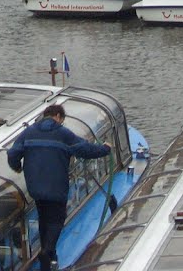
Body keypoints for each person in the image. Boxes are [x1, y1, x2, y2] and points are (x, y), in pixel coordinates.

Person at [8, 104, 111, 271]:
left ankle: (48, 258)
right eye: (61, 120)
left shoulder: (28, 132)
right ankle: (47, 251)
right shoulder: (62, 133)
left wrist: (17, 166)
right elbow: (85, 149)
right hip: (56, 186)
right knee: (56, 219)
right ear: (57, 116)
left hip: (35, 186)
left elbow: (13, 153)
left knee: (43, 218)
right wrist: (105, 149)